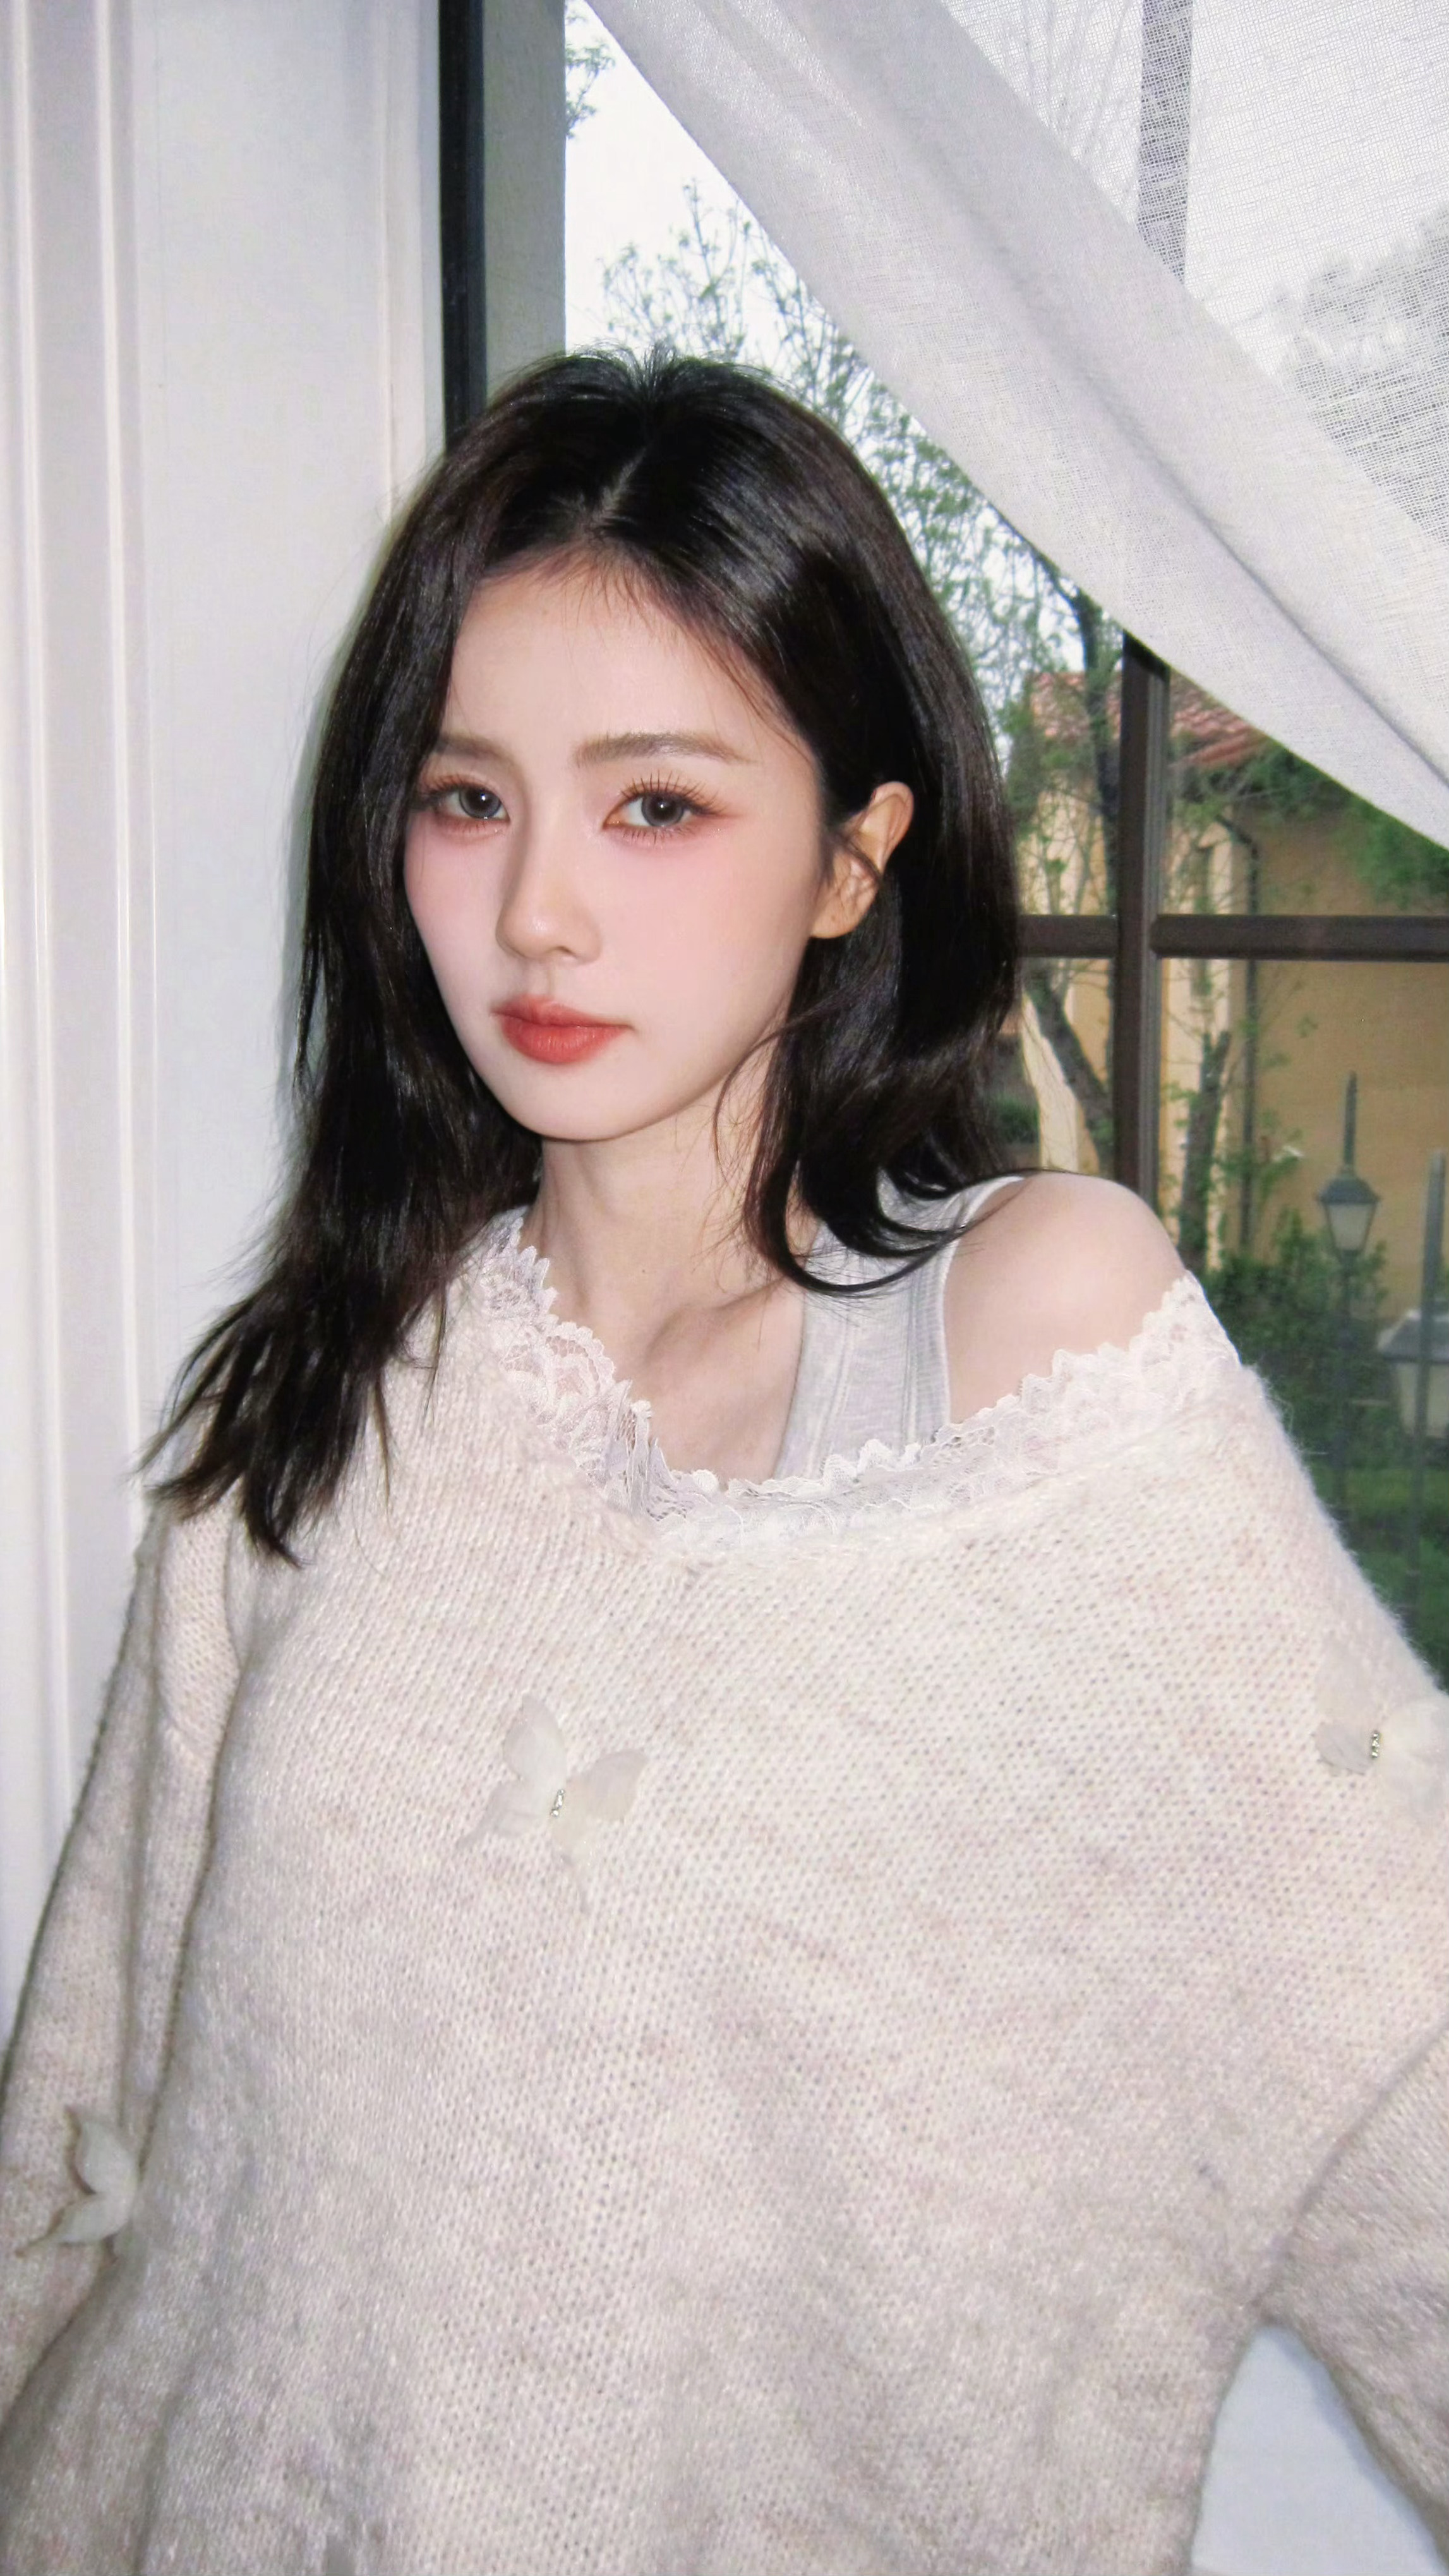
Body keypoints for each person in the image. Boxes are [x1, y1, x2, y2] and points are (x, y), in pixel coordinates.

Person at [0, 349, 1444, 2576]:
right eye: (467, 798)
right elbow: (92, 2112)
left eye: (656, 807)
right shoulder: (330, 1393)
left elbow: (1390, 2058)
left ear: (856, 858)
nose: (538, 913)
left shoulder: (1033, 1356)